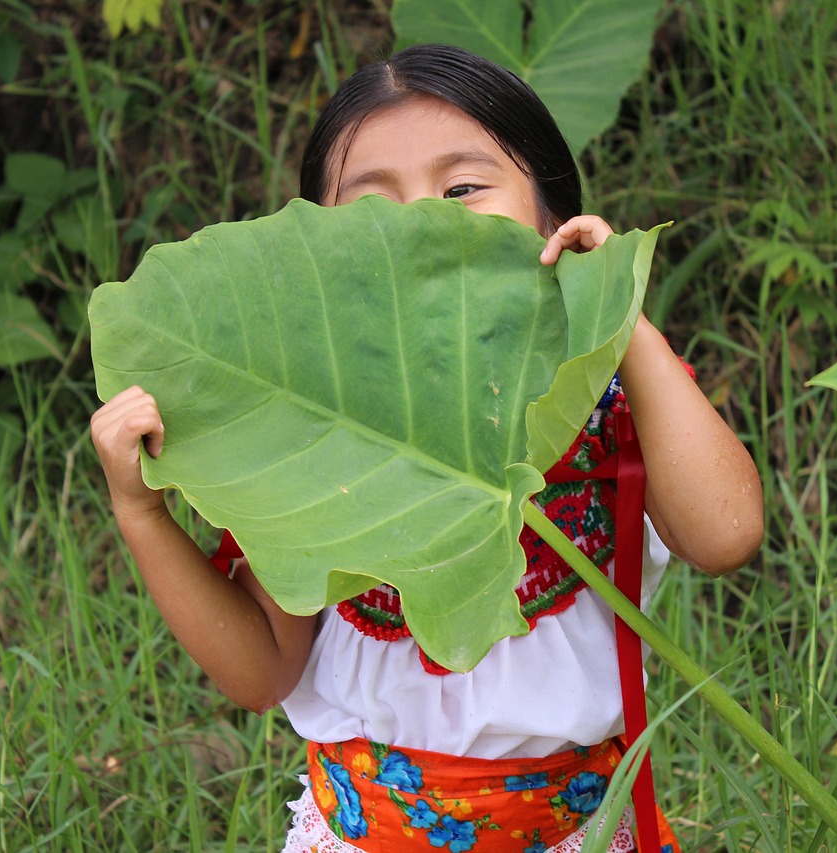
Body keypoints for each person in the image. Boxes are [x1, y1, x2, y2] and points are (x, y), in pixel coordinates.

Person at [91, 43, 763, 853]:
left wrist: (620, 313)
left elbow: (725, 535)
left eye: (464, 188)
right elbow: (264, 671)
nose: (424, 224)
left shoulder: (602, 395)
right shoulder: (323, 431)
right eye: (374, 206)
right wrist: (141, 514)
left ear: (552, 216)